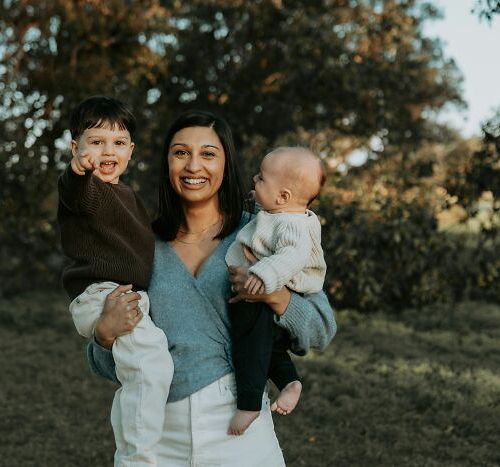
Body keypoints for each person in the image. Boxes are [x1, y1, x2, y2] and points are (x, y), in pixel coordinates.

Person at [88, 110, 337, 466]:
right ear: (167, 163)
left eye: (208, 153)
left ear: (226, 163)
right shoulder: (138, 248)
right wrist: (104, 337)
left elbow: (321, 329)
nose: (193, 166)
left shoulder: (264, 235)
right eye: (180, 153)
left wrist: (273, 294)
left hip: (242, 436)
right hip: (155, 440)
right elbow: (107, 365)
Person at [57, 96, 173, 466]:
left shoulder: (129, 198)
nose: (108, 151)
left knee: (143, 372)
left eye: (118, 142)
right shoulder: (88, 190)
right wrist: (77, 170)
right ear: (77, 147)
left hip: (123, 292)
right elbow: (76, 192)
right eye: (96, 141)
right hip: (103, 293)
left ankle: (139, 448)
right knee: (150, 365)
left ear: (131, 150)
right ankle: (137, 460)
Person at [225, 147, 328, 435]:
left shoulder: (291, 224)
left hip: (273, 287)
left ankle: (248, 404)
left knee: (250, 340)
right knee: (270, 348)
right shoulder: (280, 213)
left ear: (282, 196)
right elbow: (263, 226)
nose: (254, 180)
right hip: (273, 288)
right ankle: (289, 381)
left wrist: (264, 275)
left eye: (260, 179)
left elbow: (291, 256)